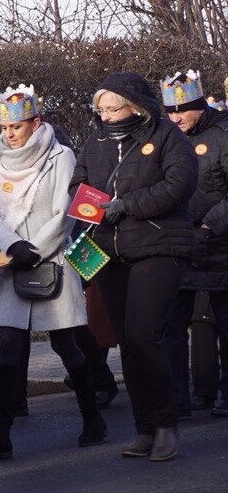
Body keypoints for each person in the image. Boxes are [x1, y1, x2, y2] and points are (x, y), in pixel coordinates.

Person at [0, 85, 107, 462]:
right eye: (4, 127)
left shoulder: (61, 156)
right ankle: (0, 435)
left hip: (53, 261)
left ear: (36, 122)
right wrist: (13, 247)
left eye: (16, 126)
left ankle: (93, 420)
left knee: (66, 345)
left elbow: (66, 212)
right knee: (9, 349)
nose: (9, 134)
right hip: (15, 264)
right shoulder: (0, 160)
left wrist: (35, 249)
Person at [69, 71, 198, 462]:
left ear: (136, 107)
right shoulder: (95, 141)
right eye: (101, 110)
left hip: (159, 246)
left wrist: (128, 205)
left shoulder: (167, 136)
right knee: (127, 341)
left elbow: (179, 184)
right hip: (109, 251)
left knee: (144, 335)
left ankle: (166, 423)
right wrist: (90, 207)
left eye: (112, 109)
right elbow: (79, 182)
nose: (105, 116)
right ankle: (145, 429)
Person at [159, 71, 228, 418]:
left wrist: (209, 225)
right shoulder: (167, 138)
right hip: (179, 243)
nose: (176, 118)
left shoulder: (223, 135)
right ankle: (177, 398)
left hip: (221, 246)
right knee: (171, 324)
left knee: (225, 324)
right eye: (170, 111)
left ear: (200, 105)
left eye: (182, 110)